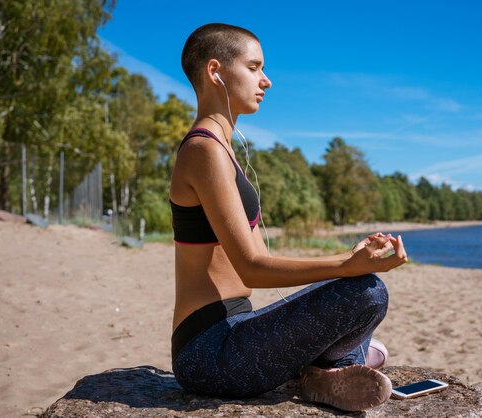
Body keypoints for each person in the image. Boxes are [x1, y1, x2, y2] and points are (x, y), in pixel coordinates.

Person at [170, 23, 408, 412]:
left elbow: (264, 264)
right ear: (215, 71)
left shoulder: (225, 151)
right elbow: (252, 270)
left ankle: (327, 368)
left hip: (237, 332)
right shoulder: (203, 150)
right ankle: (331, 367)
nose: (266, 81)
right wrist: (346, 267)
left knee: (364, 291)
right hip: (209, 352)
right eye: (254, 68)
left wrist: (348, 263)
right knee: (367, 291)